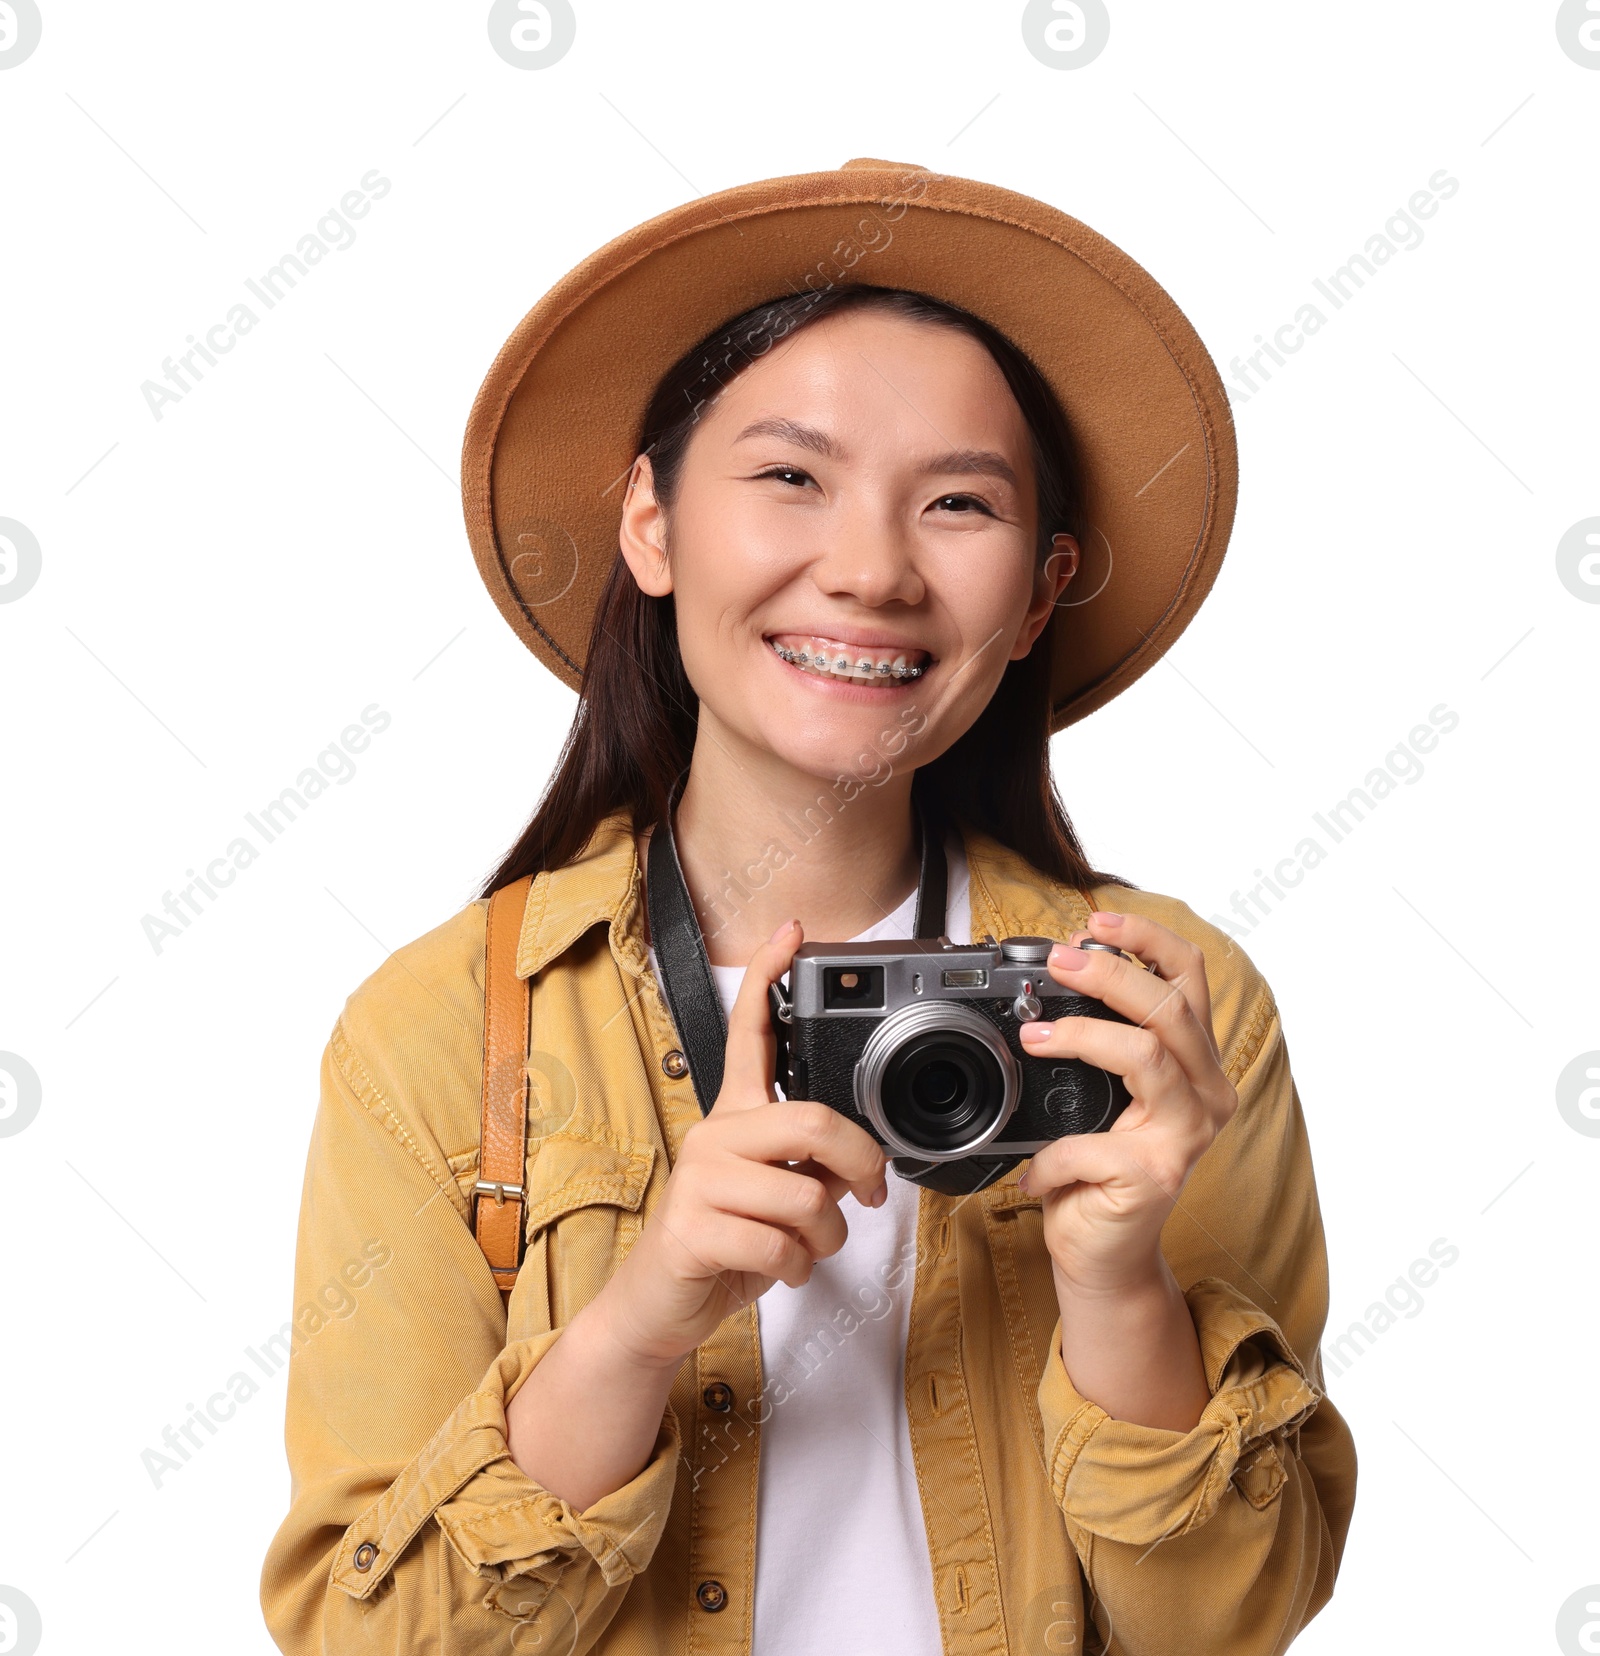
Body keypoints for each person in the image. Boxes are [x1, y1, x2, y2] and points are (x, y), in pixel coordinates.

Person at [260, 160, 1356, 1655]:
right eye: (790, 476)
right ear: (650, 523)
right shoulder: (446, 1033)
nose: (869, 569)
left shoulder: (1158, 1005)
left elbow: (1233, 1619)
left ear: (1038, 595)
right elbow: (361, 1635)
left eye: (958, 502)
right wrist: (645, 1314)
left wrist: (1119, 1290)